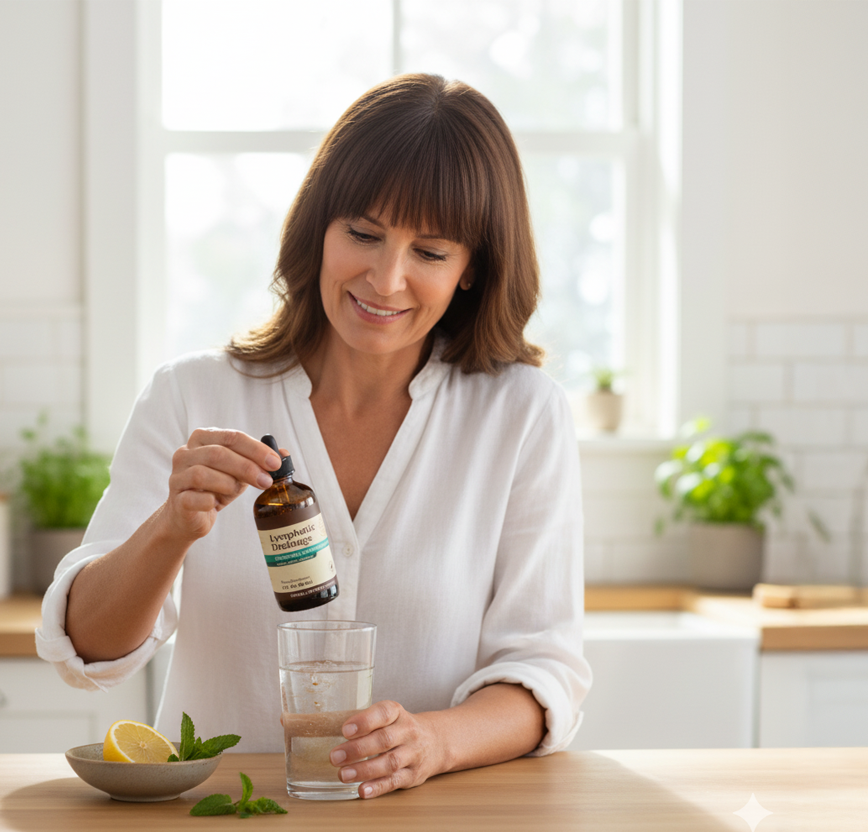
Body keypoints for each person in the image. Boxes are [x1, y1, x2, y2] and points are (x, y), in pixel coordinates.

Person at [36, 73, 590, 800]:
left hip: (428, 819)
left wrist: (432, 742)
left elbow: (544, 671)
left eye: (430, 252)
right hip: (223, 816)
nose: (386, 280)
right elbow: (87, 652)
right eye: (363, 234)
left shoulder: (522, 415)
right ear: (319, 228)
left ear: (470, 270)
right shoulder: (193, 395)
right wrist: (171, 529)